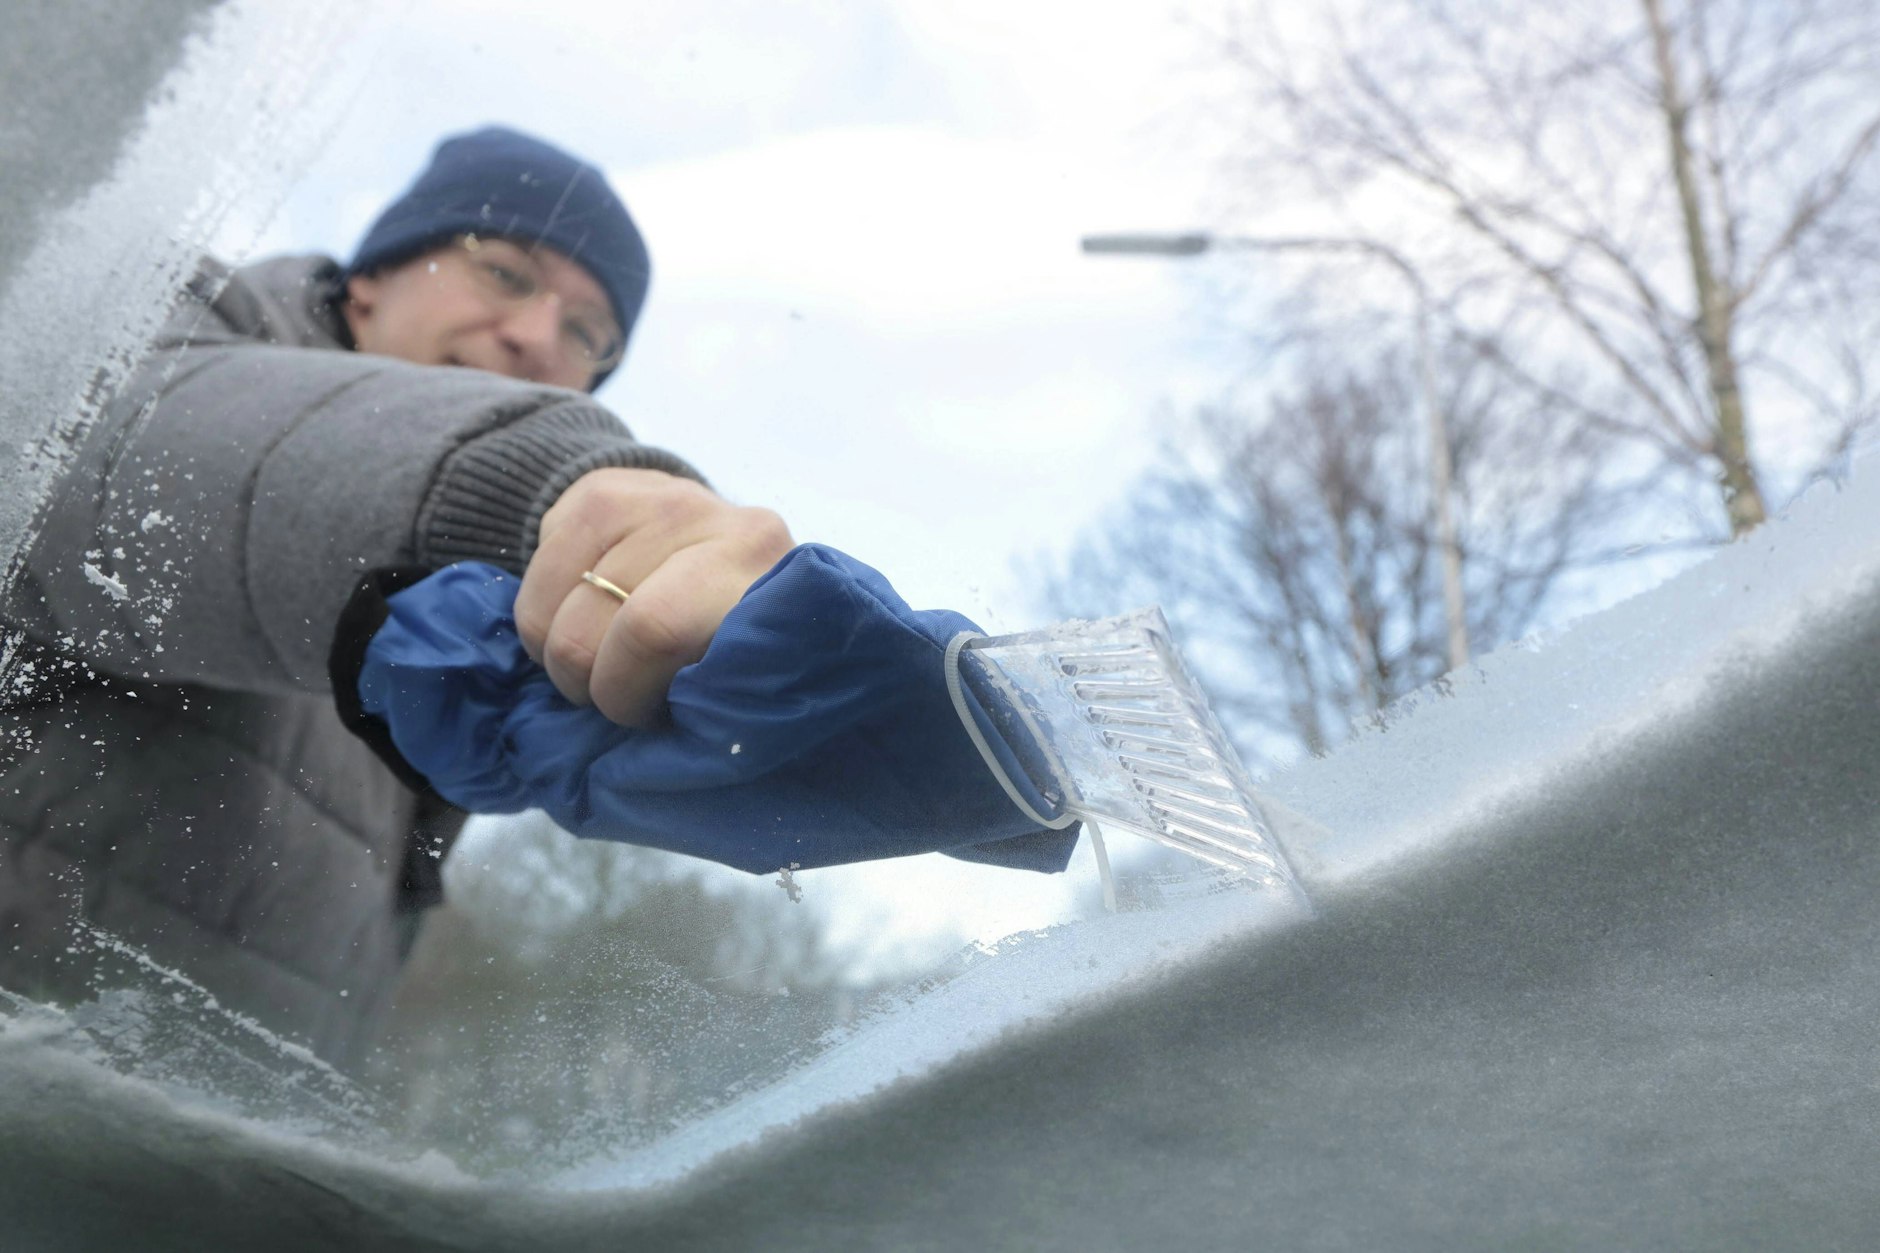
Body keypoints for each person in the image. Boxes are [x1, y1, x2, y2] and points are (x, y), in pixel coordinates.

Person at [0, 126, 794, 1066]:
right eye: (503, 272)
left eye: (587, 332)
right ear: (371, 276)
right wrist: (542, 488)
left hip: (197, 1179)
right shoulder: (153, 320)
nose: (538, 336)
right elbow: (127, 456)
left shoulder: (485, 619)